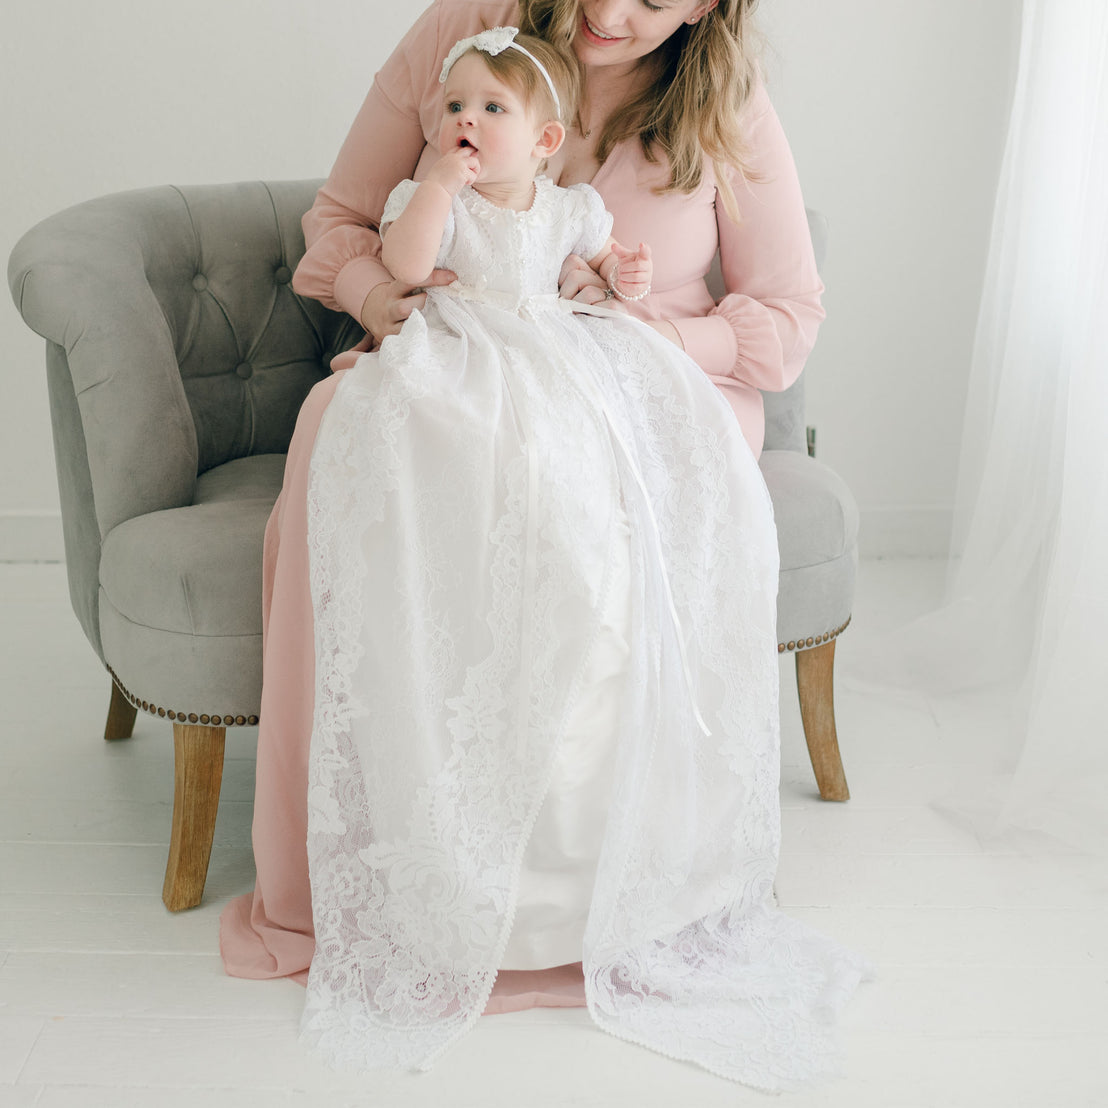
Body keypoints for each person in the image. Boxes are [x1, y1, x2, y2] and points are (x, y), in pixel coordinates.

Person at [221, 1, 867, 1091]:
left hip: (658, 388)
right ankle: (414, 862)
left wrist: (657, 332)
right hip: (468, 364)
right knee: (353, 441)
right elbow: (340, 223)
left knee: (582, 504)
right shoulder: (469, 35)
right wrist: (391, 300)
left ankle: (580, 880)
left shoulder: (723, 98)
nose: (614, 15)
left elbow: (787, 311)